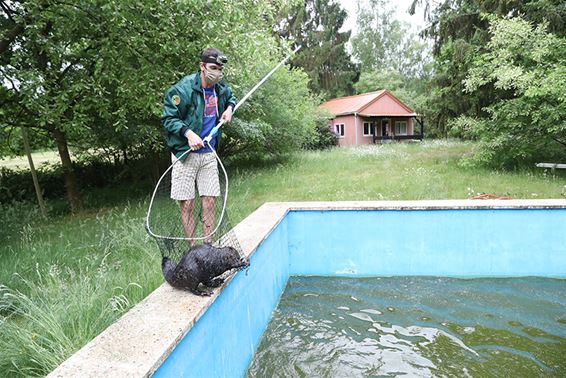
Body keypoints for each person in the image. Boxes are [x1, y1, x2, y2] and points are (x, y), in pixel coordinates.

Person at [162, 47, 237, 242]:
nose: (217, 73)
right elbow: (169, 118)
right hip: (185, 155)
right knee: (187, 204)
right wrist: (188, 133)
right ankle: (193, 249)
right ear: (202, 66)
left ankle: (208, 244)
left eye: (220, 69)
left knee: (210, 200)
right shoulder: (182, 90)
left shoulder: (220, 89)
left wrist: (229, 109)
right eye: (213, 68)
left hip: (209, 153)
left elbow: (232, 98)